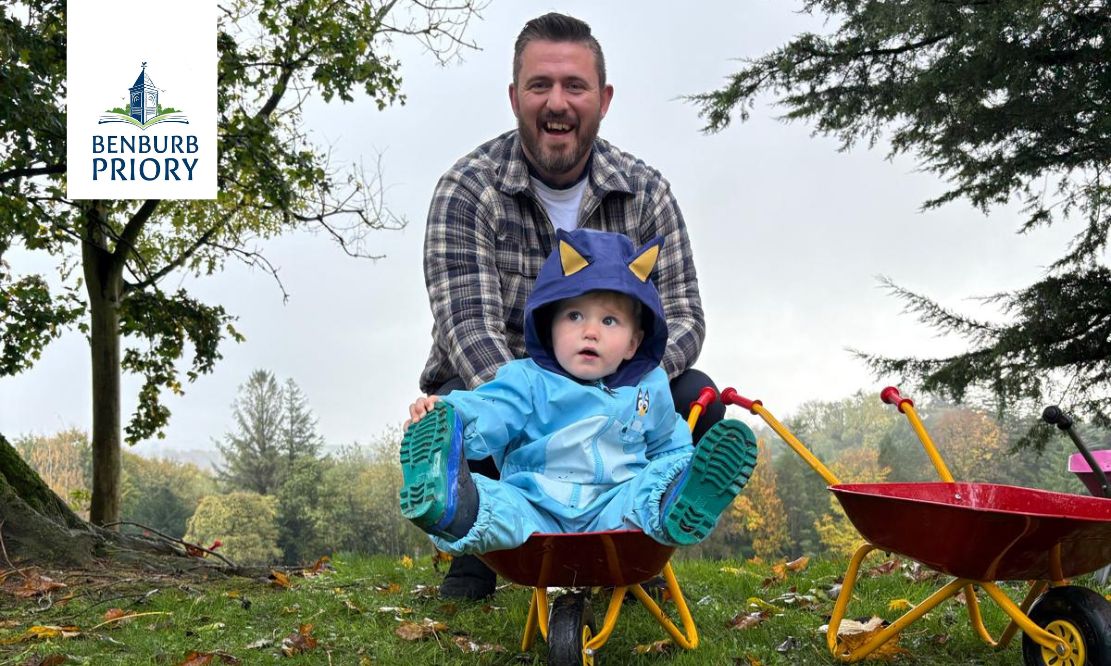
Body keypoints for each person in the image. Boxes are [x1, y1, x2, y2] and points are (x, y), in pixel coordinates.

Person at [419, 12, 724, 598]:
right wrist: (549, 400)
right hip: (511, 387)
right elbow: (469, 328)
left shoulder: (646, 191)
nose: (557, 102)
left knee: (695, 397)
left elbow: (685, 313)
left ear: (603, 99)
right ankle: (479, 544)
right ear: (515, 96)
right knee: (463, 403)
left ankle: (639, 541)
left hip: (619, 389)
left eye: (574, 86)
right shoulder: (467, 188)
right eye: (540, 85)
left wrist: (622, 383)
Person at [402, 229, 757, 559]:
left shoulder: (647, 390)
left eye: (609, 321)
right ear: (549, 328)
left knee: (650, 490)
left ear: (633, 343)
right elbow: (491, 408)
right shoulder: (528, 380)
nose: (590, 332)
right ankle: (454, 503)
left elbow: (670, 444)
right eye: (574, 316)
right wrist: (448, 414)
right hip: (536, 505)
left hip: (615, 506)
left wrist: (680, 467)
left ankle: (683, 493)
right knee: (499, 505)